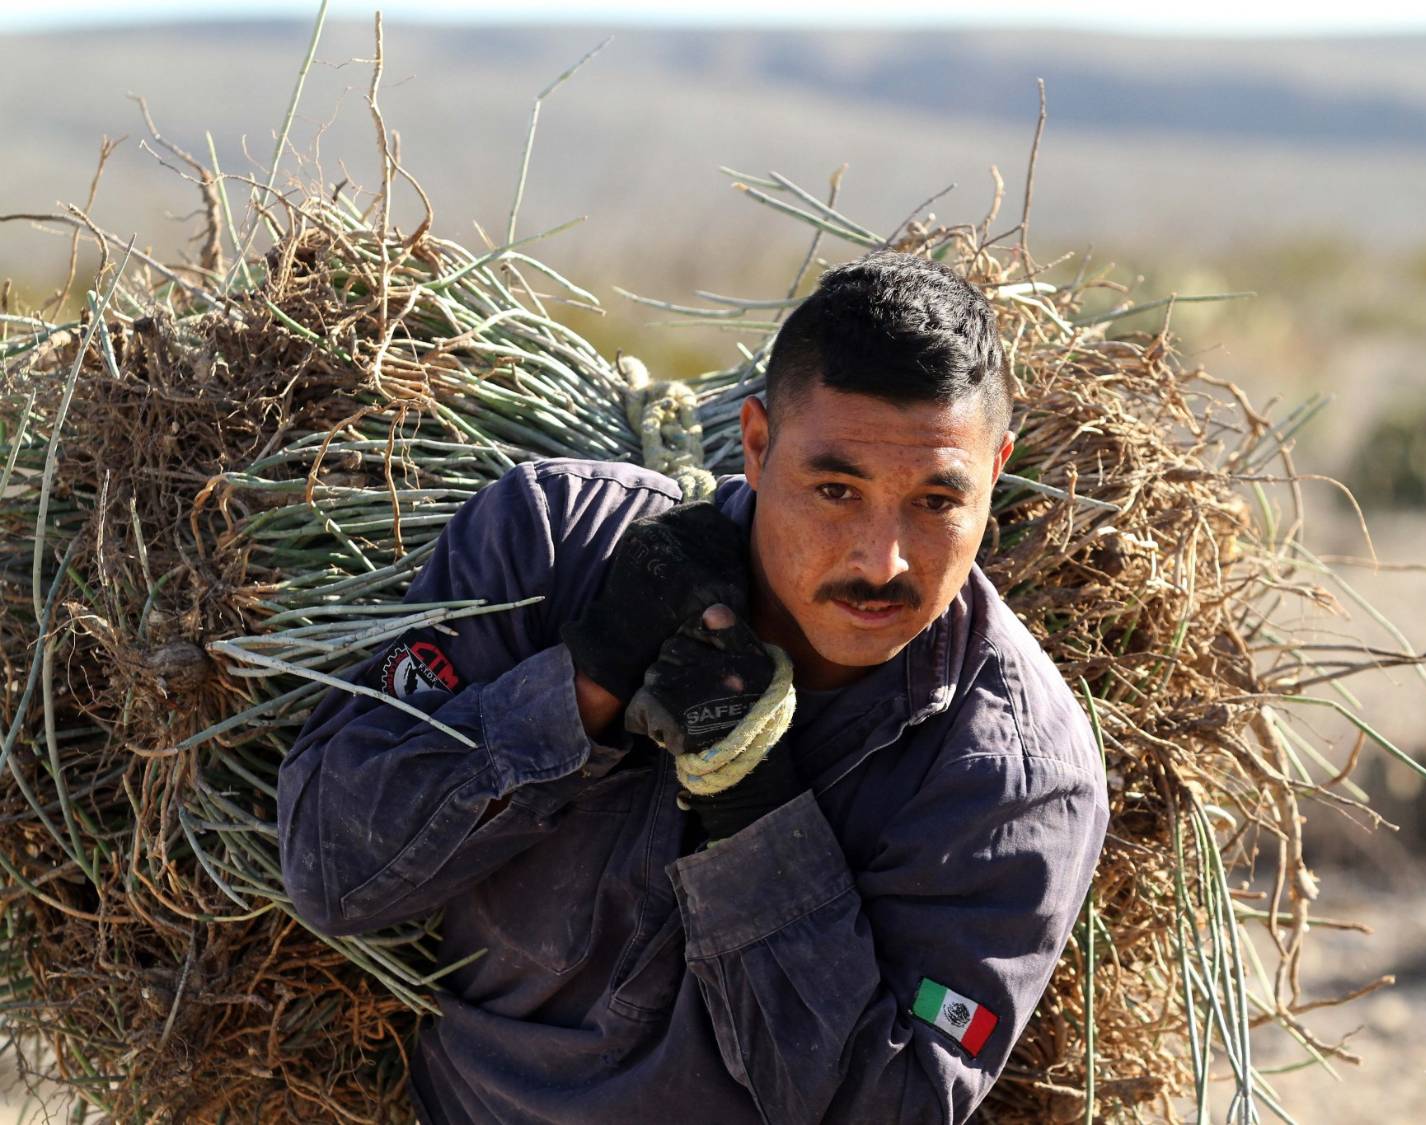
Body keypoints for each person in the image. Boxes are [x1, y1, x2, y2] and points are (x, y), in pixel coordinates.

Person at [277, 250, 1109, 1124]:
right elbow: (332, 869)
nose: (882, 560)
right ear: (757, 444)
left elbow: (888, 1109)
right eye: (835, 489)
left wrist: (754, 810)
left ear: (997, 469)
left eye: (937, 503)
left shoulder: (1014, 782)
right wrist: (588, 677)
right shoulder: (555, 545)